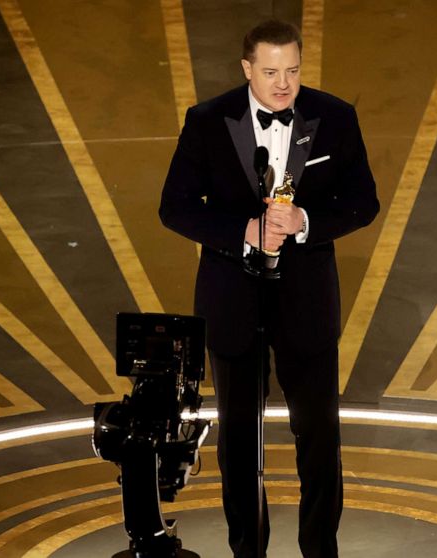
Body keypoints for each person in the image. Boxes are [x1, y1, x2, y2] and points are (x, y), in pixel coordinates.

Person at [159, 19, 379, 558]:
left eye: (293, 71)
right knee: (238, 442)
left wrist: (304, 220)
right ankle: (247, 551)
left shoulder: (335, 117)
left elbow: (363, 201)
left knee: (320, 437)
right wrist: (243, 232)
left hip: (306, 300)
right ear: (247, 69)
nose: (284, 84)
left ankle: (319, 549)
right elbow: (175, 207)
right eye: (271, 72)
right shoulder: (207, 121)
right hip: (233, 300)